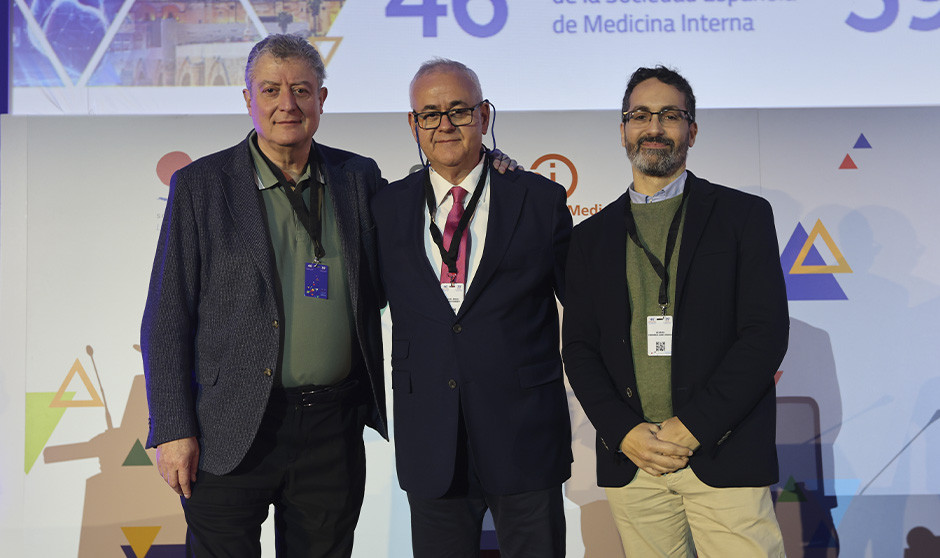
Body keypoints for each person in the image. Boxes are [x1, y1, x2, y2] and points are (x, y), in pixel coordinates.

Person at [140, 34, 388, 557]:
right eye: (271, 90)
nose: (287, 104)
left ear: (322, 98)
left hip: (332, 428)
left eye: (301, 89)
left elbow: (420, 224)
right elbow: (166, 317)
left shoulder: (357, 177)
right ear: (247, 99)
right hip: (227, 428)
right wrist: (173, 429)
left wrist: (493, 165)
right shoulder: (201, 185)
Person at [562, 66, 789, 557]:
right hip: (634, 462)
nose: (654, 127)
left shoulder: (743, 216)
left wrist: (694, 426)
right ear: (623, 129)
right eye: (640, 115)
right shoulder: (589, 238)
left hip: (722, 453)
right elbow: (579, 349)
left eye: (669, 115)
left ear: (692, 129)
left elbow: (764, 335)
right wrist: (623, 432)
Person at [370, 59, 573, 558]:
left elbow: (586, 311)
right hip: (431, 441)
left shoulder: (538, 199)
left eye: (459, 110)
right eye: (430, 114)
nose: (445, 125)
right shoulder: (385, 208)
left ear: (483, 115)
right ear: (413, 124)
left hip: (525, 437)